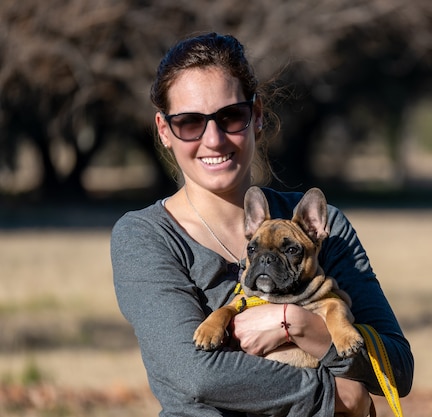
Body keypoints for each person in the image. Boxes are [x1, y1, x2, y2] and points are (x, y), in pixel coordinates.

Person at [111, 32, 413, 417]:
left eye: (230, 116)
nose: (214, 139)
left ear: (256, 116)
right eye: (189, 122)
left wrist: (297, 324)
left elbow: (398, 368)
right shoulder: (145, 237)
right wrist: (339, 396)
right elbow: (195, 375)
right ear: (164, 131)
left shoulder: (325, 228)